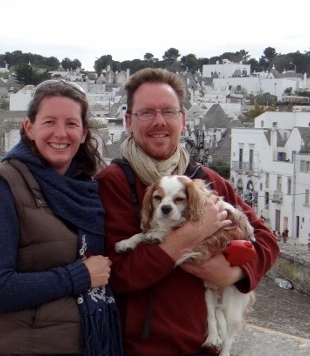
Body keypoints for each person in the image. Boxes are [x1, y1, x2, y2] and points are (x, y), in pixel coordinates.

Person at [95, 68, 280, 355]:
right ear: (128, 121)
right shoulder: (114, 182)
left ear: (183, 119)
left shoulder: (205, 179)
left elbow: (266, 240)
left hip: (208, 346)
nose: (159, 121)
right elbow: (116, 274)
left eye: (168, 112)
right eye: (146, 113)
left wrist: (233, 274)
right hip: (143, 348)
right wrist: (190, 236)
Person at [0, 79, 122, 355]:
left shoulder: (86, 189)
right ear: (29, 128)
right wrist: (81, 275)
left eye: (71, 124)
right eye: (49, 122)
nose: (60, 134)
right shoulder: (0, 185)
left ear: (85, 133)